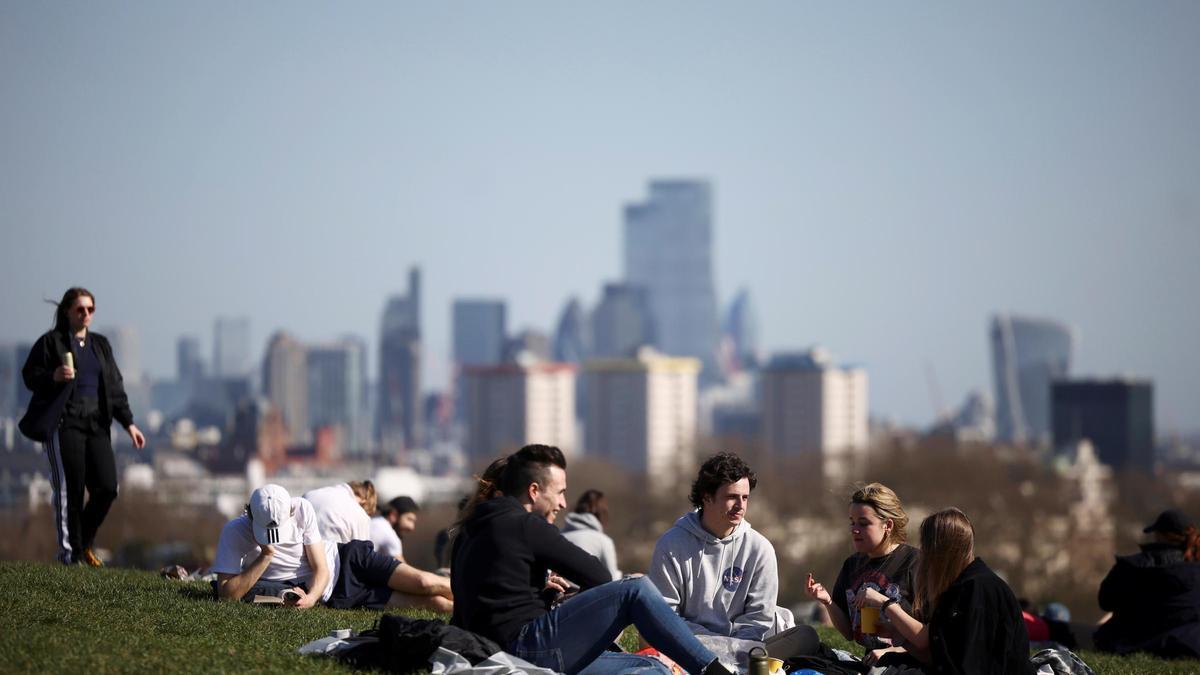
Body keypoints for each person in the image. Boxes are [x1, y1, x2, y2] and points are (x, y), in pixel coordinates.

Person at [450, 444, 735, 675]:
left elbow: (481, 604)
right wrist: (570, 599)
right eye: (560, 492)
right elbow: (598, 576)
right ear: (534, 491)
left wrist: (544, 595)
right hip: (530, 650)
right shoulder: (524, 524)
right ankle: (713, 671)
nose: (563, 503)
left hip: (493, 653)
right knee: (636, 589)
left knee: (651, 667)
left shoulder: (469, 530)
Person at [19, 287, 146, 566]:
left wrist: (129, 424)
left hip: (97, 425)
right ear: (67, 311)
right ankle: (70, 554)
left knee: (107, 487)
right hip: (65, 424)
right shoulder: (51, 343)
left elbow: (114, 387)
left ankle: (83, 542)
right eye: (80, 309)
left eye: (90, 309)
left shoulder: (100, 345)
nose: (86, 314)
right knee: (70, 490)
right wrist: (53, 375)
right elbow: (29, 376)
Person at [212, 484, 452, 612]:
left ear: (290, 511)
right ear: (250, 516)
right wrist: (266, 556)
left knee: (426, 583)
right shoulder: (234, 532)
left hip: (349, 559)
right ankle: (473, 611)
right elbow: (227, 595)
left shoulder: (302, 508)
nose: (273, 539)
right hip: (340, 594)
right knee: (434, 604)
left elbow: (321, 568)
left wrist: (312, 598)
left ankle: (482, 596)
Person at [854, 508, 1034, 675]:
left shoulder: (979, 591)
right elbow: (939, 656)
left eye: (926, 547)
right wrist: (896, 635)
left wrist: (886, 605)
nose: (922, 555)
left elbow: (971, 666)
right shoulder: (958, 589)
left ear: (941, 551)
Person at [649, 452, 779, 644]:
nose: (740, 505)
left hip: (743, 649)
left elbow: (758, 619)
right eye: (732, 497)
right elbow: (666, 615)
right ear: (707, 497)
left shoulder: (760, 549)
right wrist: (712, 644)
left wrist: (733, 652)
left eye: (745, 497)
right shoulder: (670, 545)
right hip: (687, 646)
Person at [805, 482, 918, 652]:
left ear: (888, 526)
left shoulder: (914, 562)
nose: (854, 530)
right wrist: (827, 601)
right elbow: (850, 634)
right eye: (852, 522)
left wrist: (892, 651)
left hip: (907, 664)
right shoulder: (852, 564)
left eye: (863, 523)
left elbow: (928, 635)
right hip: (868, 663)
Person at [1094, 508, 1200, 658]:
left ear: (1158, 535)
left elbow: (1105, 601)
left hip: (1128, 643)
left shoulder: (1129, 567)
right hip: (1186, 644)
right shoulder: (1195, 573)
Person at [563, 489, 621, 581]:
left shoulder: (559, 536)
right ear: (603, 513)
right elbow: (613, 580)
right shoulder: (603, 541)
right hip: (585, 593)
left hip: (557, 592)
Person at [303, 480, 376, 544]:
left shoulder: (310, 494)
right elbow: (362, 554)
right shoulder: (360, 515)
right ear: (364, 501)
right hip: (328, 556)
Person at [370, 495, 420, 562]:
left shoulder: (374, 522)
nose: (411, 527)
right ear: (393, 515)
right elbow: (402, 568)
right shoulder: (387, 532)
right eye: (409, 519)